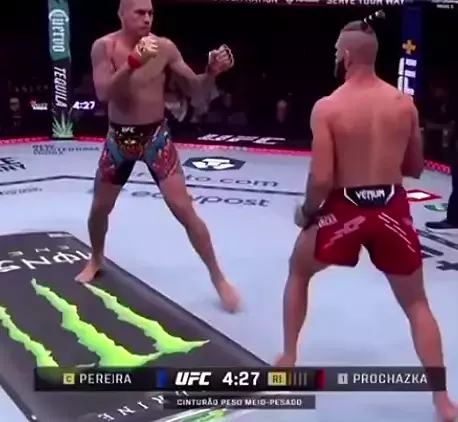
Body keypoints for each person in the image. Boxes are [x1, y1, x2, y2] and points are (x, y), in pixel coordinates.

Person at [275, 21, 457, 421]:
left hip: (346, 207)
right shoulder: (403, 104)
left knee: (298, 269)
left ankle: (288, 358)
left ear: (346, 56)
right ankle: (442, 399)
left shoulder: (328, 107)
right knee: (417, 303)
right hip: (391, 207)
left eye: (337, 51)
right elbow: (415, 166)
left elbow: (321, 179)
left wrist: (307, 212)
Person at [76, 0, 240, 312]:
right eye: (140, 12)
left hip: (155, 138)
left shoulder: (165, 47)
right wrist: (132, 63)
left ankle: (218, 277)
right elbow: (104, 93)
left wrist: (211, 73)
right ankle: (96, 258)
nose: (147, 18)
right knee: (99, 208)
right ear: (122, 14)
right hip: (119, 139)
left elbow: (197, 93)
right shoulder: (104, 47)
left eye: (150, 13)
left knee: (185, 210)